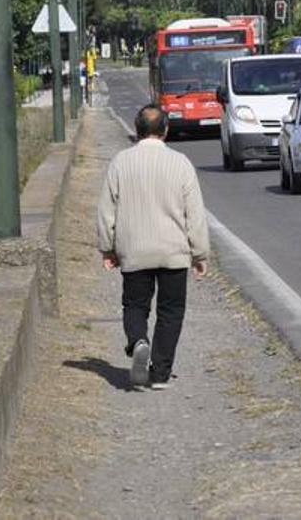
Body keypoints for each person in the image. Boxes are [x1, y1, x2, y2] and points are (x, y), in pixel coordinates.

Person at [96, 105, 210, 389]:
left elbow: (106, 211)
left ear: (137, 129)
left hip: (133, 248)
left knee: (135, 304)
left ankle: (138, 341)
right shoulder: (181, 162)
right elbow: (194, 214)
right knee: (171, 310)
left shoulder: (121, 162)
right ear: (166, 129)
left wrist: (108, 248)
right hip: (173, 250)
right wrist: (199, 253)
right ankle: (160, 373)